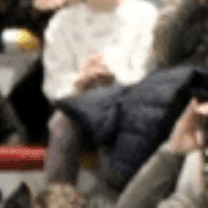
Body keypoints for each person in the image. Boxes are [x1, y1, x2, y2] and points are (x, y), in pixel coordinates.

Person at [40, 0, 158, 184]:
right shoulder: (61, 22)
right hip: (78, 107)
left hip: (125, 106)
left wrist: (110, 76)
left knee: (119, 124)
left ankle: (116, 198)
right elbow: (54, 85)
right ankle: (56, 198)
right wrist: (79, 81)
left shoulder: (145, 14)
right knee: (61, 122)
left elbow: (146, 74)